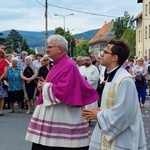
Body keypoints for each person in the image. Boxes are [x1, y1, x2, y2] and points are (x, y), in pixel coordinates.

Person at [25, 35, 99, 150]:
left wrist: (45, 86)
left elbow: (65, 90)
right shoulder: (59, 63)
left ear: (59, 49)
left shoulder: (68, 65)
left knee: (58, 145)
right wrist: (44, 86)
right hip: (54, 113)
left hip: (63, 115)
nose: (47, 49)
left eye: (49, 47)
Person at [82, 40, 147, 150]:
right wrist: (99, 111)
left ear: (114, 58)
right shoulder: (111, 76)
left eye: (105, 52)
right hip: (110, 135)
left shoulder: (125, 80)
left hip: (122, 139)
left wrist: (98, 115)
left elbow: (123, 114)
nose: (101, 54)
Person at [0, 49, 9, 115]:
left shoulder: (5, 62)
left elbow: (5, 72)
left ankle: (1, 110)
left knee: (2, 96)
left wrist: (0, 79)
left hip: (1, 80)